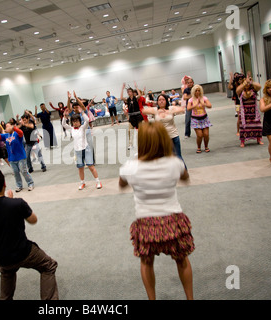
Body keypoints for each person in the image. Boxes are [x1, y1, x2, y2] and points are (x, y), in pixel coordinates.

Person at [119, 121, 194, 300]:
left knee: (146, 262)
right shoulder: (175, 163)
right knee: (182, 260)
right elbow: (186, 178)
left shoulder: (130, 167)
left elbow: (122, 185)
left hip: (146, 224)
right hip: (173, 222)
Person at [0, 169, 59, 300]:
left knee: (7, 271)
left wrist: (7, 202)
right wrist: (11, 201)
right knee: (49, 265)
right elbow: (33, 220)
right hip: (22, 252)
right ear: (4, 184)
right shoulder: (17, 204)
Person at [143, 94, 188, 171]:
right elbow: (144, 111)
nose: (161, 101)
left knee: (177, 156)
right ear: (157, 102)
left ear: (166, 101)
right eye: (159, 100)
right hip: (161, 138)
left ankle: (184, 172)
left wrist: (170, 111)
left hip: (173, 136)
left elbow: (182, 110)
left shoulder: (171, 108)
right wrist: (158, 110)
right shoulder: (155, 110)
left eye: (163, 99)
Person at [62, 107, 102, 190]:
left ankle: (98, 181)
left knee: (91, 167)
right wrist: (65, 116)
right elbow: (64, 124)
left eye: (77, 121)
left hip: (86, 149)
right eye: (73, 121)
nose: (75, 123)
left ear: (80, 121)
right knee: (80, 168)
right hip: (78, 151)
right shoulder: (71, 129)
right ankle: (82, 183)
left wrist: (82, 113)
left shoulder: (83, 128)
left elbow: (87, 120)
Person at [0, 119, 35, 192]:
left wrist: (13, 128)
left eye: (8, 126)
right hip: (12, 158)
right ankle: (19, 185)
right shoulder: (6, 135)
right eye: (6, 127)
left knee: (24, 171)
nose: (7, 128)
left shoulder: (17, 133)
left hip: (21, 157)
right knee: (16, 173)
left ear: (12, 127)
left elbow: (21, 132)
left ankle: (30, 183)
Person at [236, 74, 264, 148]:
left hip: (253, 112)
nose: (247, 85)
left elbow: (259, 86)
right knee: (244, 127)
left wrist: (251, 82)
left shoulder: (254, 90)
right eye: (246, 84)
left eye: (248, 84)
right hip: (244, 112)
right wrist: (244, 83)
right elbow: (237, 90)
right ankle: (242, 141)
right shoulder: (241, 91)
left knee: (256, 126)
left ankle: (258, 139)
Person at [187, 84, 212, 153]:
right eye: (196, 91)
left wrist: (203, 104)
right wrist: (194, 105)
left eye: (199, 91)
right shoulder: (191, 100)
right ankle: (199, 147)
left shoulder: (204, 98)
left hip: (204, 118)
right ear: (193, 92)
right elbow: (188, 108)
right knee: (200, 135)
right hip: (195, 119)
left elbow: (210, 105)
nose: (197, 92)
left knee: (206, 134)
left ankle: (206, 146)